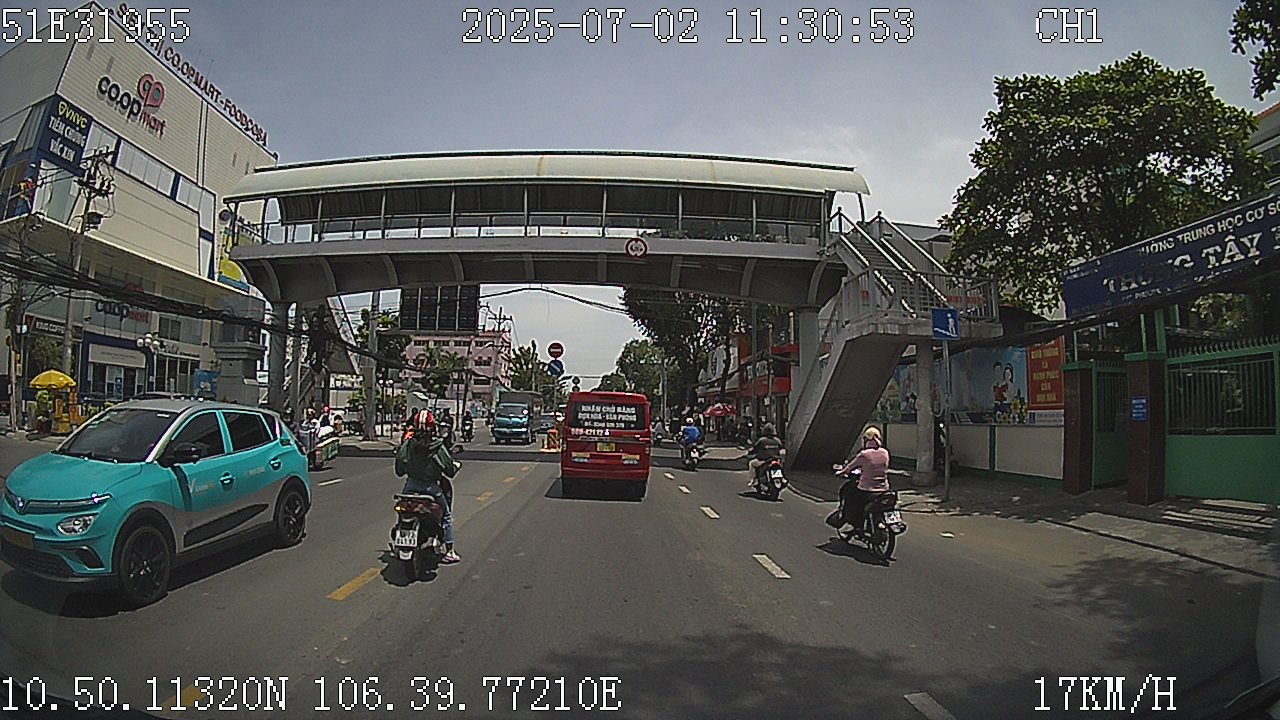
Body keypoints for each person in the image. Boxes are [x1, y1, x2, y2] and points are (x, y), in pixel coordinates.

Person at [394, 410, 461, 564]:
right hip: (431, 489)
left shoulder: (408, 444)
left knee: (403, 512)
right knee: (446, 516)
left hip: (410, 487)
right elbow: (449, 470)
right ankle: (449, 551)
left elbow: (399, 469)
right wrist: (455, 467)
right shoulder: (437, 446)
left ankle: (400, 535)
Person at [834, 426, 891, 537]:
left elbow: (849, 467)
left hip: (867, 488)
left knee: (850, 499)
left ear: (865, 440)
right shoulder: (885, 452)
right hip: (884, 488)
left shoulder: (864, 455)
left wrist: (840, 472)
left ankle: (854, 524)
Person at [747, 422, 783, 487]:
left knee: (751, 463)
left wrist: (750, 451)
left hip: (763, 461)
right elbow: (781, 448)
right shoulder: (777, 440)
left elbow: (755, 448)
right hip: (776, 460)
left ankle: (753, 480)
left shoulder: (762, 440)